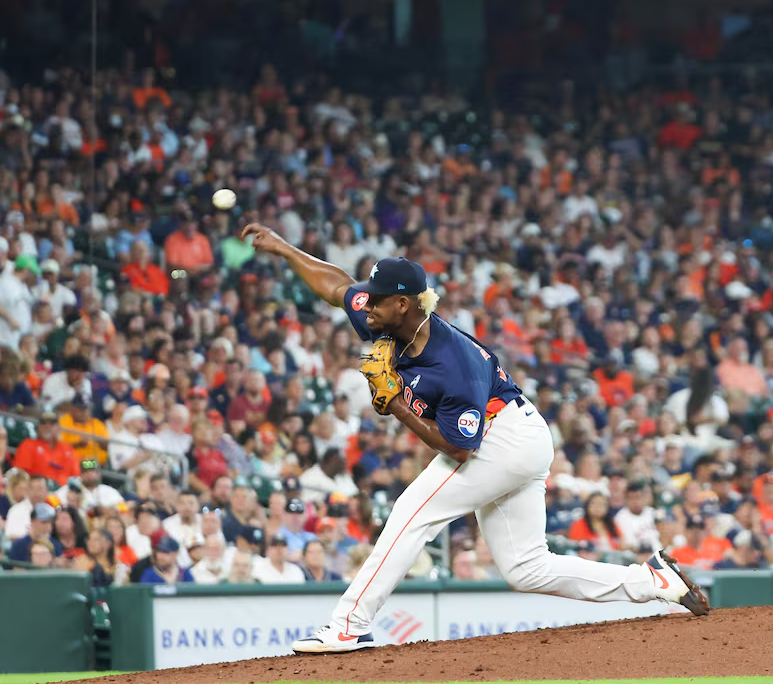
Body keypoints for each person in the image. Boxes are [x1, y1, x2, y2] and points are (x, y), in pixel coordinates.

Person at [242, 224, 709, 655]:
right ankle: (651, 581)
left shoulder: (452, 364)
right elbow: (336, 286)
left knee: (411, 513)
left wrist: (396, 406)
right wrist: (284, 248)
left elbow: (460, 448)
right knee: (527, 568)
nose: (367, 304)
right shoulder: (387, 316)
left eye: (377, 300)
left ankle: (349, 623)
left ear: (402, 304)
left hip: (502, 437)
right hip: (515, 431)